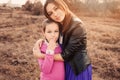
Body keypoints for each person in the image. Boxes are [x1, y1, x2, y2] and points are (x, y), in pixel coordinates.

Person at [33, 0, 92, 80]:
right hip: (66, 66)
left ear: (62, 5)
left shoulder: (77, 26)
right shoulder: (61, 23)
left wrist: (41, 56)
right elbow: (54, 37)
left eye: (56, 8)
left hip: (77, 68)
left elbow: (65, 56)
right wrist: (40, 41)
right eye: (50, 13)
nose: (55, 14)